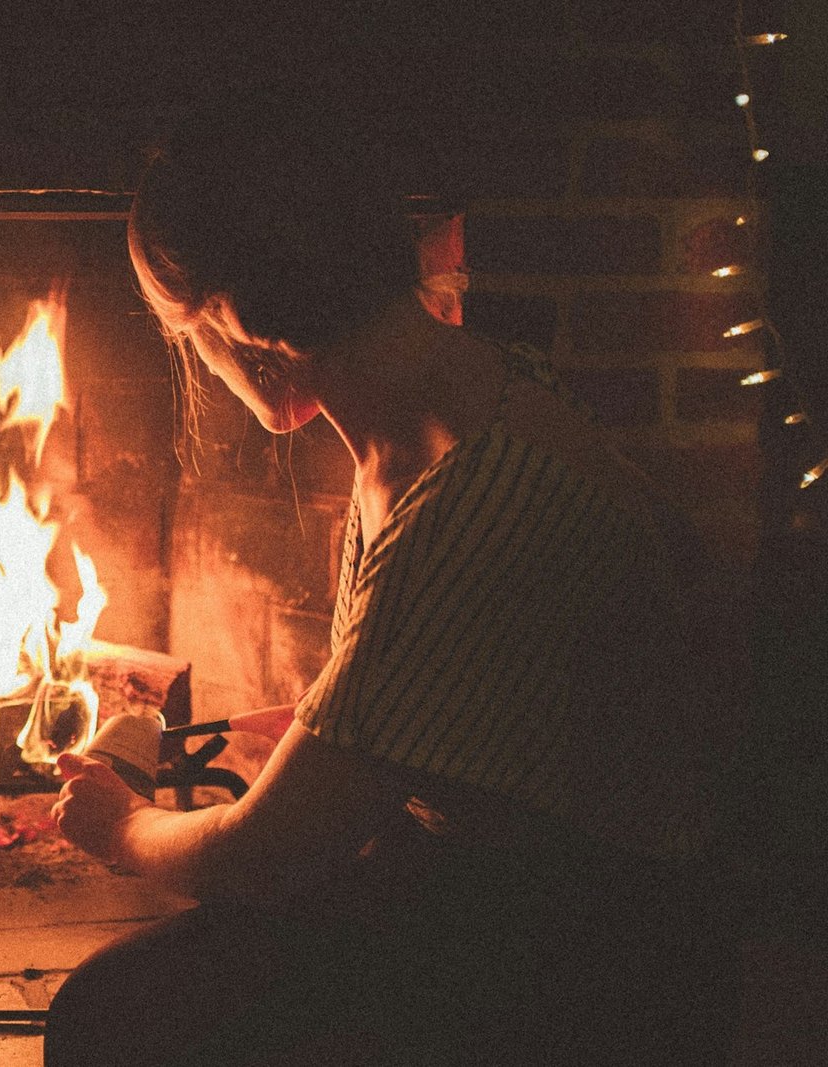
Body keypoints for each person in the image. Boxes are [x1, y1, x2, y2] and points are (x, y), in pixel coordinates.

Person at [46, 100, 743, 1065]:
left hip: (582, 953)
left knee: (109, 1017)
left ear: (241, 327)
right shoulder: (466, 395)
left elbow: (264, 854)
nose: (202, 366)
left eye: (185, 336)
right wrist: (333, 727)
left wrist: (123, 824)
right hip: (508, 880)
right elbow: (487, 695)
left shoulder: (461, 505)